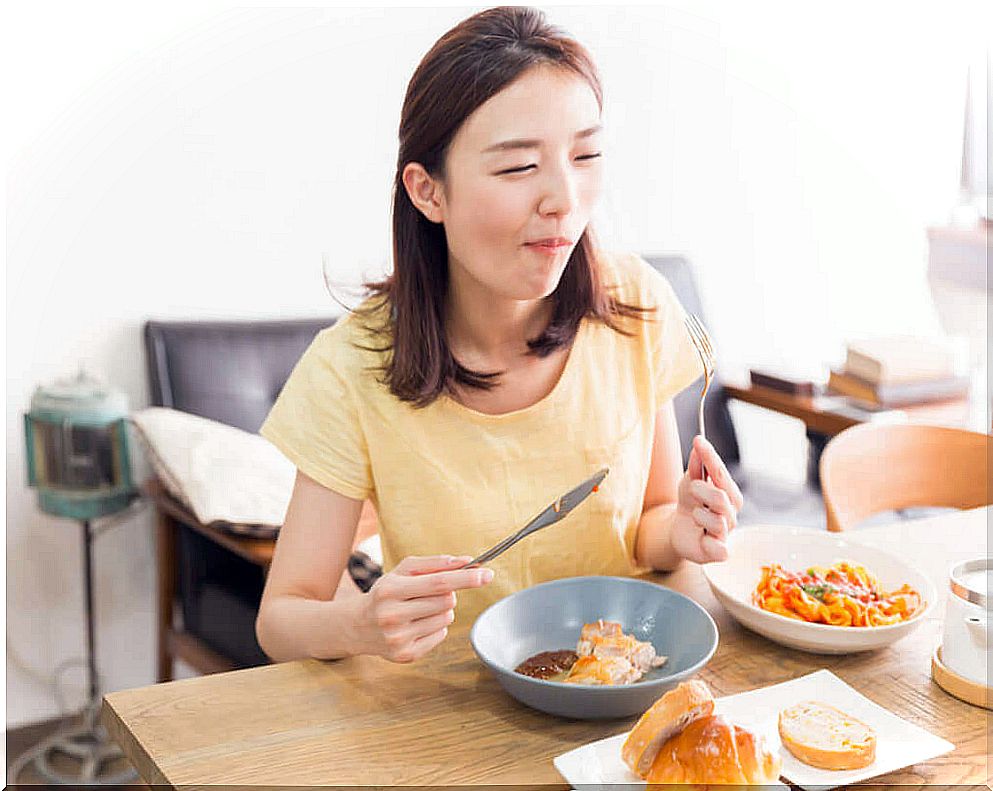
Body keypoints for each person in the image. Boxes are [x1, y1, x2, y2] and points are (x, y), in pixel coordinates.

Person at [255, 6, 742, 665]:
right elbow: (283, 616)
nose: (563, 199)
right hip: (450, 719)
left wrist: (678, 531)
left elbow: (650, 521)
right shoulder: (352, 366)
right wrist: (362, 624)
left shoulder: (633, 303)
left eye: (585, 155)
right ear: (428, 192)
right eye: (518, 168)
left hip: (623, 685)